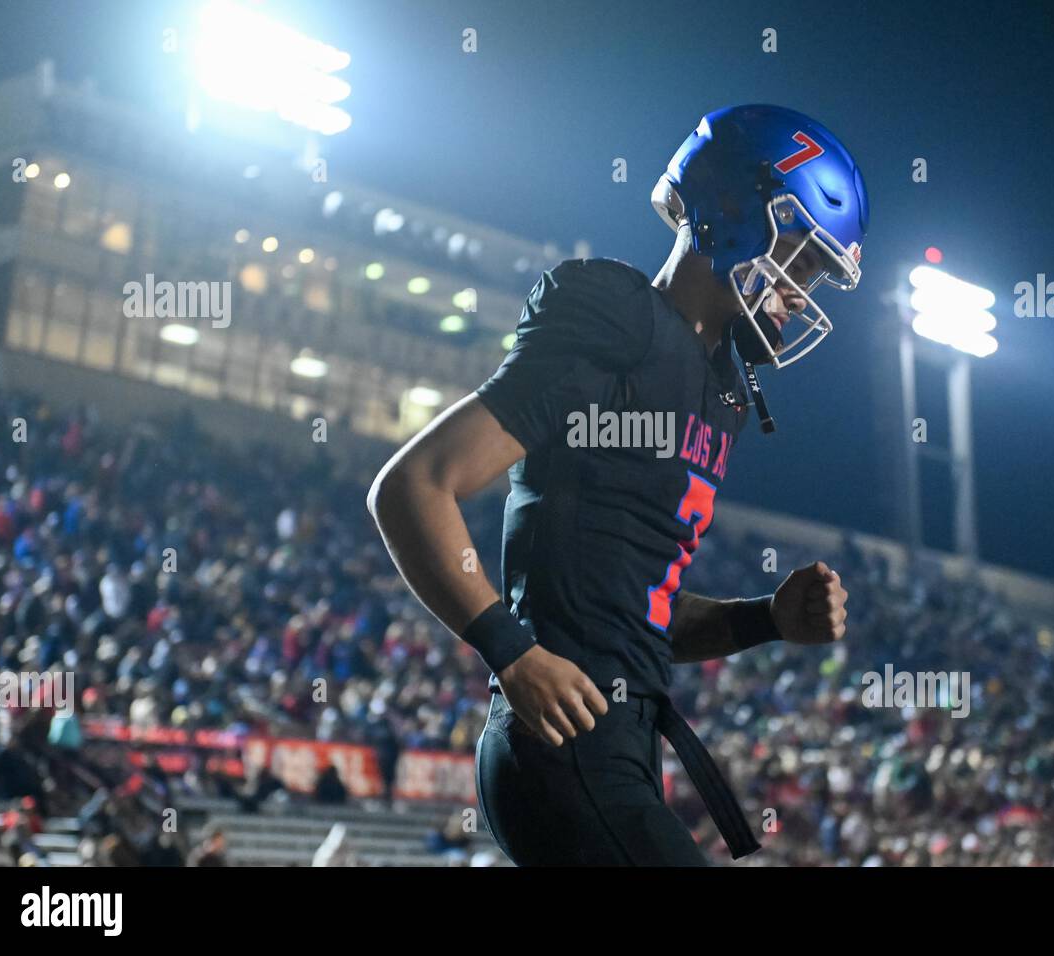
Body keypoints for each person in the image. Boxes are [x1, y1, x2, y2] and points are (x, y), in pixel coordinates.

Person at [369, 104, 867, 865]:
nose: (801, 289)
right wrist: (512, 650)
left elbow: (638, 611)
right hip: (562, 743)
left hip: (624, 745)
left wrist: (763, 618)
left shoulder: (723, 390)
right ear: (731, 209)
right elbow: (415, 485)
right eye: (798, 257)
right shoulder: (620, 315)